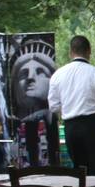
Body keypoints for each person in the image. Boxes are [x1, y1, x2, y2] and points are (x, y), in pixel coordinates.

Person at [48, 35, 95, 173]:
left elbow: (53, 106)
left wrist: (70, 106)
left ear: (70, 52)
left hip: (70, 128)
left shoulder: (57, 75)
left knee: (79, 171)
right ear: (89, 51)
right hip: (92, 126)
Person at [10, 36, 58, 166]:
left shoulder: (51, 120)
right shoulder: (11, 129)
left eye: (40, 71)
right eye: (24, 73)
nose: (30, 78)